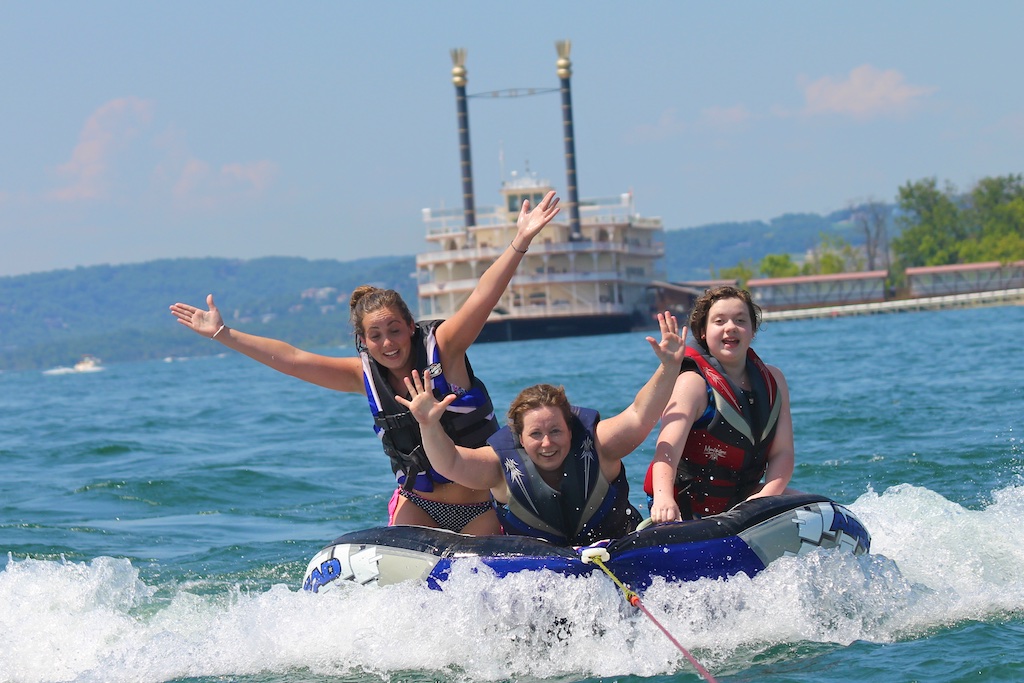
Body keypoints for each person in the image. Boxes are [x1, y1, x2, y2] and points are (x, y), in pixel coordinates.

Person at [169, 191, 561, 535]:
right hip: (419, 506)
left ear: (411, 326)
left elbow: (482, 297)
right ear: (363, 342)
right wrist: (224, 334)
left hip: (479, 504)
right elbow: (292, 359)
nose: (388, 343)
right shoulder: (363, 375)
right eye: (376, 336)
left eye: (395, 330)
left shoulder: (446, 349)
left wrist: (519, 243)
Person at [396, 312, 686, 546]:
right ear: (519, 437)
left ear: (570, 430)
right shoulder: (499, 467)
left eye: (556, 431)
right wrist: (429, 424)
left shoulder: (600, 445)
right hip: (541, 570)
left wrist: (669, 367)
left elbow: (638, 415)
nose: (547, 443)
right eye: (535, 434)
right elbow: (450, 462)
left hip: (618, 553)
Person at [644, 285, 796, 523]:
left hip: (747, 502)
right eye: (719, 321)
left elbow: (783, 453)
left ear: (752, 330)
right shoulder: (692, 384)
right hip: (688, 512)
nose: (730, 327)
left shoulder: (774, 381)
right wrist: (664, 500)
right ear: (703, 332)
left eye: (740, 320)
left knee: (824, 510)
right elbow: (667, 449)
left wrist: (765, 497)